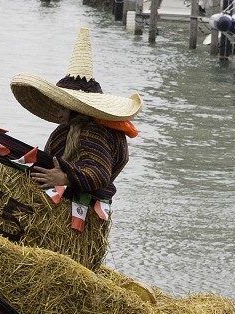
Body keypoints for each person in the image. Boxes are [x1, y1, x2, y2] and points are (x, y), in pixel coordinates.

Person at [9, 28, 142, 230]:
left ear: (75, 107)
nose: (56, 110)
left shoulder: (93, 132)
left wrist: (64, 177)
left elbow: (98, 173)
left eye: (61, 104)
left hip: (75, 217)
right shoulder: (69, 129)